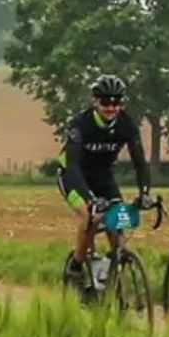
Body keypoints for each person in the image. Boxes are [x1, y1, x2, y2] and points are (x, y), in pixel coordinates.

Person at [56, 74, 153, 293]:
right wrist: (90, 200)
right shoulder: (80, 125)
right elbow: (72, 166)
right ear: (95, 102)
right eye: (105, 102)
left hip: (102, 176)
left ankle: (112, 277)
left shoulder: (126, 124)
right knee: (89, 216)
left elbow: (140, 162)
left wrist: (145, 192)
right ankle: (77, 266)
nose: (111, 107)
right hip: (73, 174)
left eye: (116, 102)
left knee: (115, 223)